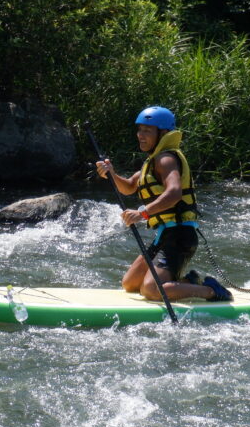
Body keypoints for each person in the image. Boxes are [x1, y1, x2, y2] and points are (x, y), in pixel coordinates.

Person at [96, 106, 233, 302]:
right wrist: (111, 174)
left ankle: (210, 290)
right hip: (165, 235)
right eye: (139, 129)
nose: (140, 135)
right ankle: (187, 280)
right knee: (130, 284)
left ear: (164, 134)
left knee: (151, 290)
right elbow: (128, 187)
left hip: (180, 236)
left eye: (147, 131)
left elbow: (174, 192)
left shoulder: (166, 159)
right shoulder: (151, 162)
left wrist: (143, 213)